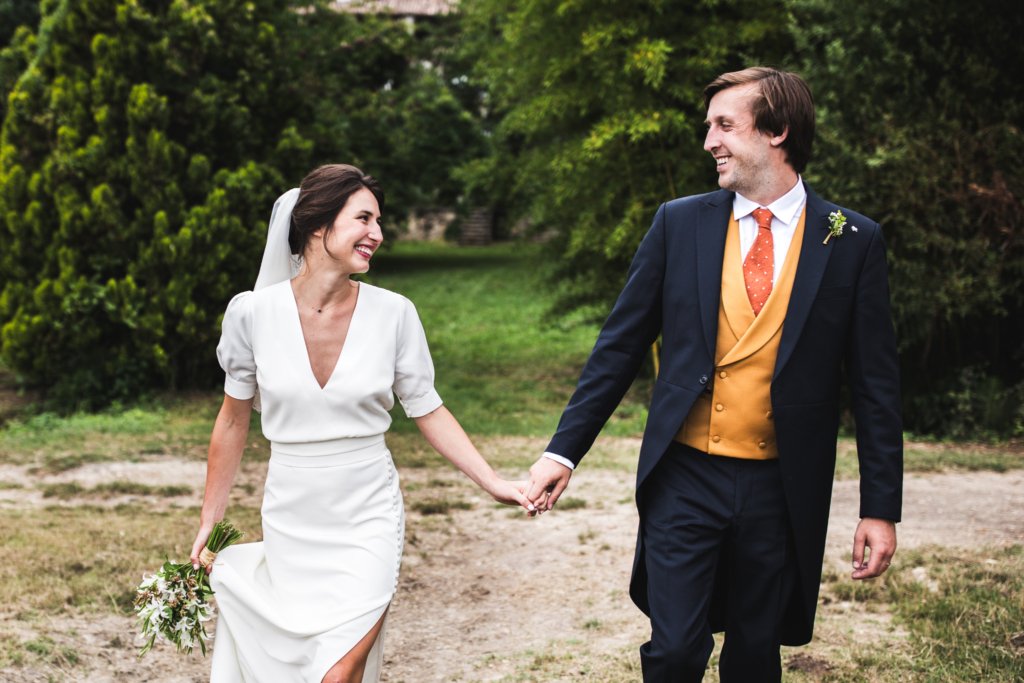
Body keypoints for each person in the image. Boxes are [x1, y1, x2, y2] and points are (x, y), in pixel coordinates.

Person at [524, 67, 903, 681]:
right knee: (675, 651)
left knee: (755, 654)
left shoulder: (852, 240)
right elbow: (618, 349)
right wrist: (562, 454)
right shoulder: (679, 223)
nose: (709, 142)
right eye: (710, 127)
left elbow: (876, 387)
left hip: (780, 486)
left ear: (777, 131)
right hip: (685, 475)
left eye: (725, 125)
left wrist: (880, 507)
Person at [189, 164, 532, 683]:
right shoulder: (251, 315)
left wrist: (494, 482)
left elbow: (428, 408)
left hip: (367, 513)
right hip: (292, 516)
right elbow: (233, 422)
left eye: (379, 220)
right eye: (364, 218)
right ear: (318, 226)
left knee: (338, 673)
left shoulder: (395, 314)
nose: (378, 233)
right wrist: (209, 521)